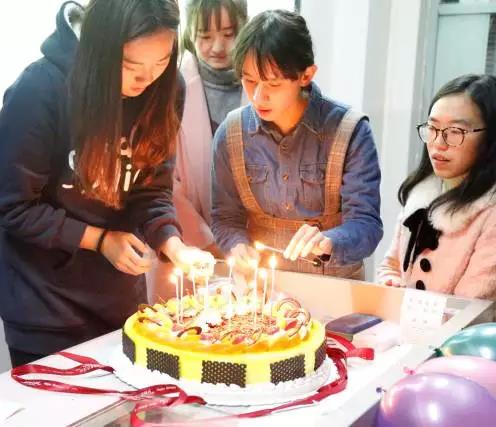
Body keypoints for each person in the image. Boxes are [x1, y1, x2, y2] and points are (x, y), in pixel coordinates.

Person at [0, 0, 213, 368]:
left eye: (161, 63)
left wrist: (173, 245)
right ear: (100, 49)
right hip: (45, 307)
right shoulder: (40, 90)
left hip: (119, 305)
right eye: (131, 67)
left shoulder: (166, 88)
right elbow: (14, 208)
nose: (147, 80)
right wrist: (100, 240)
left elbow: (152, 190)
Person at [211, 10, 383, 283]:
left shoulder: (349, 131)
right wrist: (237, 245)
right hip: (261, 289)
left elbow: (367, 225)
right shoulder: (231, 134)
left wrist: (330, 241)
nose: (258, 96)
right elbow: (225, 217)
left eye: (273, 83)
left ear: (306, 75)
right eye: (249, 80)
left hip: (335, 288)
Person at [147, 0, 248, 303]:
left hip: (245, 245)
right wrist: (208, 242)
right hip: (186, 244)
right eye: (205, 36)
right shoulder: (169, 84)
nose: (217, 47)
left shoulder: (261, 84)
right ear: (190, 33)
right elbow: (163, 181)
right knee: (183, 320)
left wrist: (234, 242)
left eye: (229, 34)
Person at [377, 74, 496, 300]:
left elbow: (470, 307)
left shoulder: (490, 212)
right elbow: (390, 266)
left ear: (489, 137)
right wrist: (391, 283)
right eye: (432, 128)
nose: (438, 143)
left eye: (455, 131)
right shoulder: (422, 193)